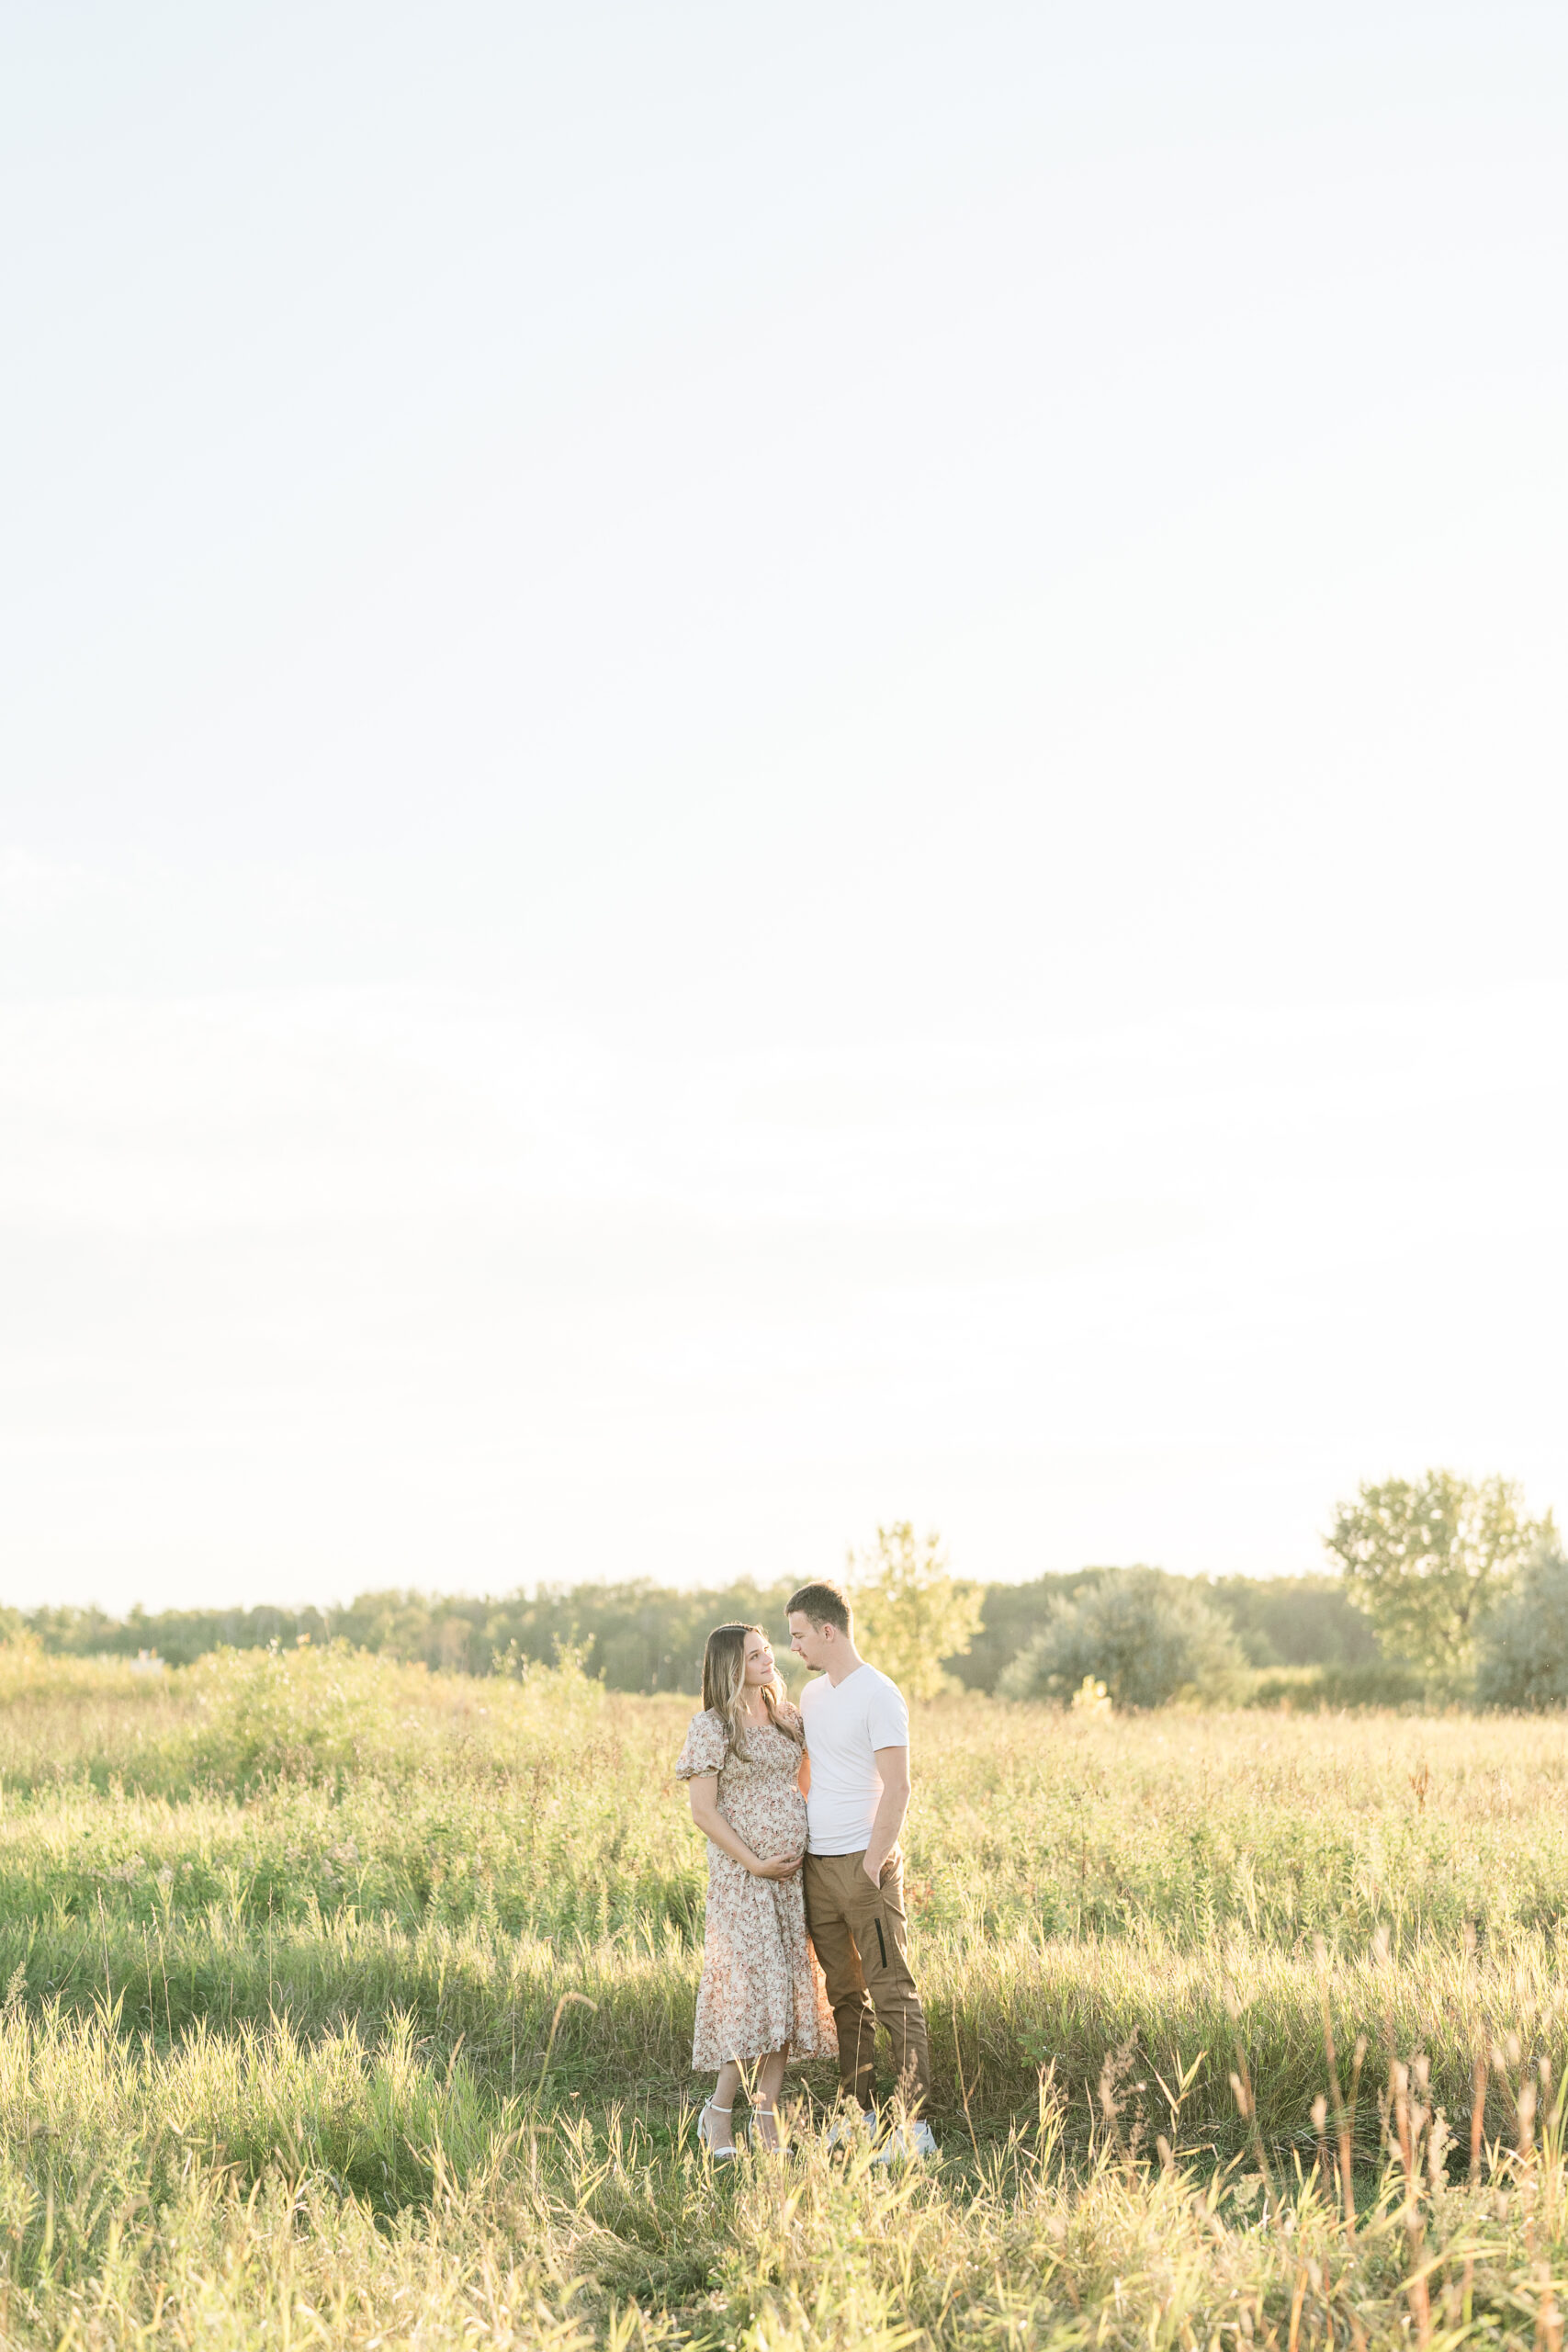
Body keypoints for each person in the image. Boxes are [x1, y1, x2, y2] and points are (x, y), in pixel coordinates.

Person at [786, 1578, 937, 2158]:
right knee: (845, 1997)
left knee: (893, 1993)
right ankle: (858, 2115)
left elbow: (898, 1786)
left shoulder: (879, 1694)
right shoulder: (816, 1696)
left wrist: (874, 1864)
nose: (793, 1647)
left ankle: (914, 2128)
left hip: (864, 1866)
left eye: (800, 1636)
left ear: (829, 1631)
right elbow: (811, 1772)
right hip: (818, 1869)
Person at [675, 1622, 836, 2156]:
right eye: (755, 1656)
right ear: (729, 1667)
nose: (770, 1660)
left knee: (787, 1993)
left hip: (789, 1878)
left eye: (768, 1651)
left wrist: (794, 1830)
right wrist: (756, 1861)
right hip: (743, 1880)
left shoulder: (789, 1719)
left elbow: (804, 1779)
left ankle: (764, 2119)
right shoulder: (713, 1727)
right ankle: (718, 2114)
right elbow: (703, 1811)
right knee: (749, 1996)